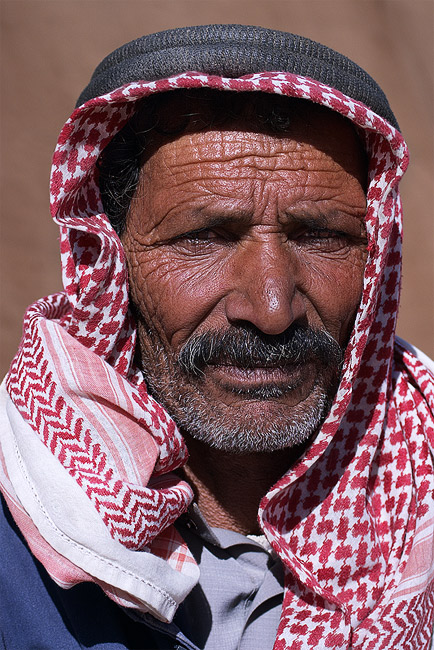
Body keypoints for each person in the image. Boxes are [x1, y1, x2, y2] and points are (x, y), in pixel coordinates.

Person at [0, 24, 433, 650]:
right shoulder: (20, 537)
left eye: (322, 238)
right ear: (113, 261)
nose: (272, 307)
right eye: (205, 238)